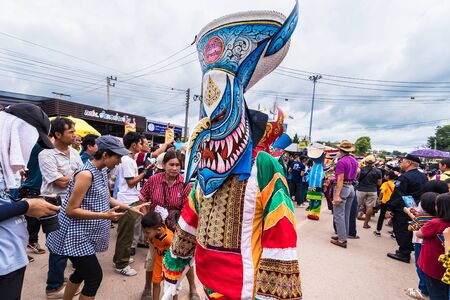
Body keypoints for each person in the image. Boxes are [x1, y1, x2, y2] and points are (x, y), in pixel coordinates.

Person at [46, 136, 148, 300]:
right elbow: (70, 210)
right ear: (105, 155)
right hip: (74, 235)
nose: (119, 162)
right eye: (117, 157)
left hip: (85, 234)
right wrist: (104, 215)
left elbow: (107, 198)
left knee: (80, 272)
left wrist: (129, 207)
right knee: (94, 277)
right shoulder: (86, 174)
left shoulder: (101, 171)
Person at [0, 103, 60, 300]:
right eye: (31, 139)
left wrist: (23, 203)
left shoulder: (4, 163)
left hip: (11, 259)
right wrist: (27, 206)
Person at [138, 150, 198, 300]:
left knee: (183, 260)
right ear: (163, 165)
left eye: (178, 165)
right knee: (152, 260)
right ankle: (147, 288)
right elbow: (143, 198)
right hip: (156, 231)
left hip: (177, 232)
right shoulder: (153, 180)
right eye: (171, 164)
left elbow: (188, 209)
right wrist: (147, 220)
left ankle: (193, 288)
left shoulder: (185, 184)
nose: (174, 168)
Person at [39, 117, 83, 298]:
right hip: (54, 204)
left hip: (72, 204)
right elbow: (61, 182)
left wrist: (69, 176)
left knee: (70, 243)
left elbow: (80, 178)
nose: (75, 135)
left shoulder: (74, 152)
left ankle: (60, 280)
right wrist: (75, 178)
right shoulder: (46, 154)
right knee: (58, 246)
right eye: (70, 132)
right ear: (57, 134)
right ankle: (53, 287)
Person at [112, 132, 151, 276]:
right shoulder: (127, 160)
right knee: (125, 234)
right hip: (127, 200)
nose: (142, 146)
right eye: (141, 143)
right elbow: (131, 182)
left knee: (127, 233)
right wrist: (145, 172)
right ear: (134, 145)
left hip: (130, 199)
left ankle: (121, 258)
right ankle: (121, 265)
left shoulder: (130, 159)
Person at [386, 154, 427, 263]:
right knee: (409, 230)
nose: (401, 164)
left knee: (401, 229)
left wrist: (390, 208)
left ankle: (404, 253)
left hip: (403, 208)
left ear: (408, 163)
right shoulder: (423, 176)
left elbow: (398, 194)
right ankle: (405, 250)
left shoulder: (405, 177)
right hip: (416, 208)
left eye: (403, 162)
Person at [404, 192, 437, 300]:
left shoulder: (422, 219)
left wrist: (409, 213)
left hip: (420, 243)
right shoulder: (438, 218)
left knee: (420, 266)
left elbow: (410, 228)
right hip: (433, 247)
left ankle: (423, 291)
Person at [417, 194, 450, 299]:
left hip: (433, 265)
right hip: (445, 269)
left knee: (436, 293)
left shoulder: (435, 223)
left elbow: (419, 234)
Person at [18, 144, 46, 259]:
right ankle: (22, 249)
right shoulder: (36, 146)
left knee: (34, 221)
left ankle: (31, 243)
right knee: (28, 222)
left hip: (36, 187)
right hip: (32, 187)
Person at [141, 211, 175, 300]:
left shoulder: (169, 238)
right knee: (156, 282)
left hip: (170, 266)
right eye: (144, 232)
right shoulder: (153, 234)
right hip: (158, 263)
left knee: (172, 286)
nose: (145, 235)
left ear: (159, 229)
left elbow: (176, 251)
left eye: (147, 233)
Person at [331, 140, 358, 248]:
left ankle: (342, 240)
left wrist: (337, 195)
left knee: (339, 215)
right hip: (351, 187)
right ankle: (343, 235)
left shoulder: (341, 162)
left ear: (340, 150)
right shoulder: (354, 160)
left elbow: (340, 179)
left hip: (344, 187)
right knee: (345, 214)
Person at [356, 155, 382, 229]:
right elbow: (379, 183)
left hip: (361, 189)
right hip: (372, 190)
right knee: (369, 207)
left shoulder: (361, 169)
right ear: (374, 162)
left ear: (366, 162)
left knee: (357, 205)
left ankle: (353, 222)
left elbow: (357, 179)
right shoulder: (378, 171)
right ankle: (366, 224)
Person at [374, 171, 398, 236]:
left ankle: (378, 231)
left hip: (385, 202)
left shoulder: (385, 184)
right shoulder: (396, 184)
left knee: (381, 216)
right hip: (393, 203)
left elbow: (382, 192)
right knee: (394, 217)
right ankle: (394, 234)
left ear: (388, 176)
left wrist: (379, 199)